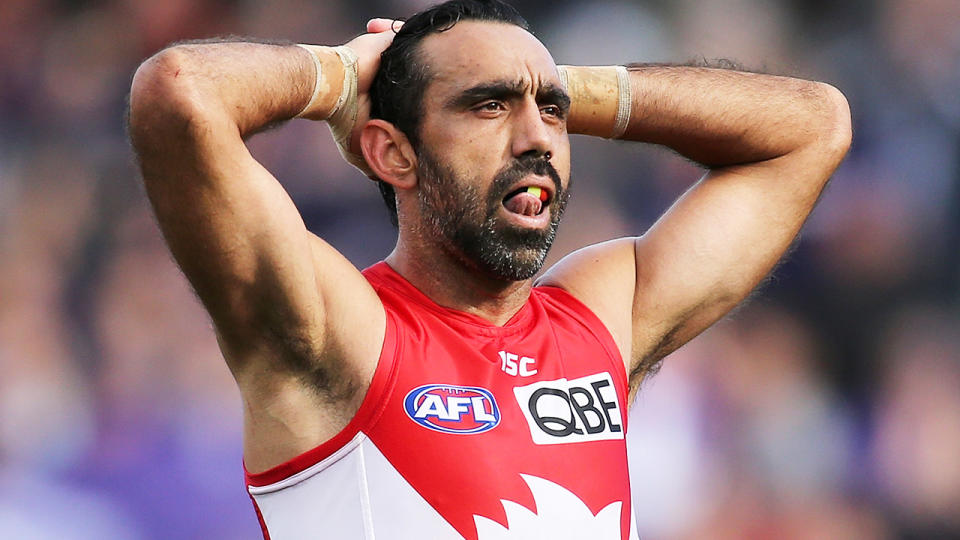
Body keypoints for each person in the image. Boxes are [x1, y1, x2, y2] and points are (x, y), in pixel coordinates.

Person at [127, 1, 851, 538]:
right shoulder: (338, 332)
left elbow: (814, 127)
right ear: (392, 153)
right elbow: (180, 93)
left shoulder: (600, 322)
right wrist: (346, 77)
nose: (537, 135)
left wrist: (556, 83)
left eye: (552, 113)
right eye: (488, 106)